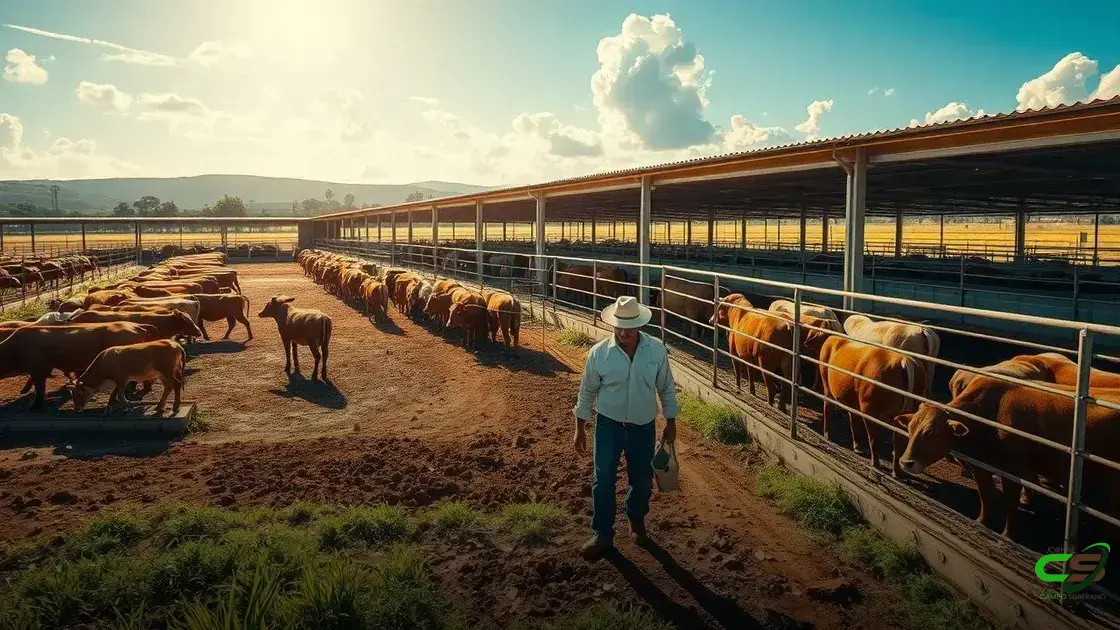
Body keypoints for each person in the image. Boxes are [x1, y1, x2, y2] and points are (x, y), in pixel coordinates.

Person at [572, 295, 679, 559]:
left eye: (629, 327)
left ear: (639, 325)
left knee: (642, 479)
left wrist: (671, 420)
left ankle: (636, 518)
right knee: (603, 479)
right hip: (608, 425)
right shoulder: (599, 354)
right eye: (619, 326)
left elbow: (666, 387)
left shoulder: (656, 351)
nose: (624, 332)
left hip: (643, 426)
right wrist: (580, 426)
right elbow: (587, 391)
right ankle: (603, 533)